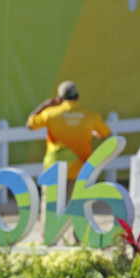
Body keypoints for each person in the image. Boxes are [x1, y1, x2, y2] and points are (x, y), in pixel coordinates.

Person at [26, 80, 111, 223]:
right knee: (77, 206)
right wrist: (91, 134)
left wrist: (45, 105)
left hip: (54, 166)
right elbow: (106, 133)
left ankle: (48, 238)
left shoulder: (50, 113)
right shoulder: (90, 116)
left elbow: (30, 124)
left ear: (59, 98)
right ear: (78, 96)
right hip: (79, 167)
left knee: (50, 206)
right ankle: (76, 239)